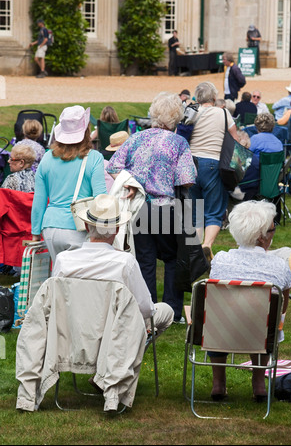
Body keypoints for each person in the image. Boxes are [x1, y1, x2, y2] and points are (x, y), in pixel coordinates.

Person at [107, 92, 197, 323]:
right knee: (172, 258)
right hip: (165, 207)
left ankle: (146, 310)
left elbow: (113, 165)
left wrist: (131, 182)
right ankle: (172, 310)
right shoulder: (179, 142)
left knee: (144, 259)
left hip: (139, 207)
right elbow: (187, 179)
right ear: (176, 117)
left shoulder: (136, 138)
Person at [53, 194, 174, 336]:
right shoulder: (125, 262)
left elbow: (56, 302)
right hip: (114, 337)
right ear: (117, 230)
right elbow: (146, 308)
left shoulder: (63, 260)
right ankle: (140, 341)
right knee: (166, 311)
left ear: (86, 226)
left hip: (73, 332)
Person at [209, 200, 291, 401]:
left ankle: (218, 383)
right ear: (263, 237)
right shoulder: (279, 266)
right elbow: (283, 307)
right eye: (272, 230)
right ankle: (259, 382)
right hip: (261, 334)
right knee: (267, 321)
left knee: (215, 316)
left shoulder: (220, 260)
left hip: (220, 333)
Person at [31, 105, 107, 266]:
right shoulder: (94, 158)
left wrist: (35, 233)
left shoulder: (46, 158)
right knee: (77, 282)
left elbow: (39, 199)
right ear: (86, 130)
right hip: (78, 227)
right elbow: (101, 198)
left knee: (58, 277)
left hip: (50, 228)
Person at [186, 81, 239, 261]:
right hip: (213, 163)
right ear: (214, 97)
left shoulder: (191, 113)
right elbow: (235, 138)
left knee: (195, 210)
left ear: (197, 97)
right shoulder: (223, 113)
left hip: (191, 164)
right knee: (214, 209)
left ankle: (195, 253)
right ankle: (207, 245)